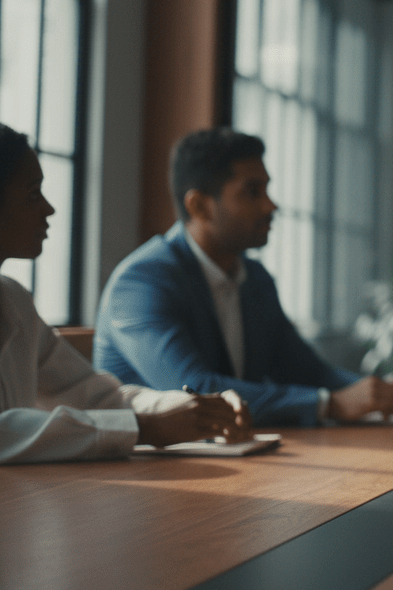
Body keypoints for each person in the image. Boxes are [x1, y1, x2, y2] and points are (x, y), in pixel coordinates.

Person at [95, 129, 393, 426]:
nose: (271, 206)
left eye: (267, 189)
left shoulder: (254, 278)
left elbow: (309, 372)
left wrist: (388, 395)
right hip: (151, 481)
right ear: (199, 206)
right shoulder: (140, 282)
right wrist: (330, 405)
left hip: (238, 464)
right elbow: (195, 390)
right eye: (252, 192)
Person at [0, 124, 251, 463]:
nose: (49, 209)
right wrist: (144, 428)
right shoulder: (146, 278)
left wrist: (191, 409)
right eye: (33, 194)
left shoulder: (14, 301)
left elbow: (100, 397)